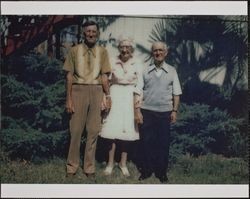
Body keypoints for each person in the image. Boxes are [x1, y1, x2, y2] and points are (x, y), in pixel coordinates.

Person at [63, 21, 111, 178]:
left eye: (94, 32)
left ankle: (89, 168)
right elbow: (69, 76)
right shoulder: (74, 51)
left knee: (93, 131)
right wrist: (68, 99)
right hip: (78, 90)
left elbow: (104, 76)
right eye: (88, 31)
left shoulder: (102, 52)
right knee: (75, 130)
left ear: (97, 34)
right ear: (84, 33)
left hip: (96, 92)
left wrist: (107, 96)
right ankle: (72, 166)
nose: (91, 34)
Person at [137, 41, 182, 183]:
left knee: (163, 143)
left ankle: (161, 172)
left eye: (161, 50)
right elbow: (138, 92)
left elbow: (176, 94)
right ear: (152, 53)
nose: (158, 53)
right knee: (146, 143)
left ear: (166, 53)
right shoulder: (144, 70)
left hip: (165, 113)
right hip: (147, 111)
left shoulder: (172, 71)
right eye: (155, 50)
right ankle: (146, 171)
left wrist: (174, 110)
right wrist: (137, 111)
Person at [99, 37, 143, 177]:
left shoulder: (137, 63)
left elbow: (140, 84)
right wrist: (106, 97)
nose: (125, 50)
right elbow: (105, 80)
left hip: (130, 96)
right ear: (119, 48)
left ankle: (123, 163)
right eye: (122, 47)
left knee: (127, 130)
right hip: (115, 94)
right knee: (112, 130)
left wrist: (137, 103)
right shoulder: (112, 60)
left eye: (127, 47)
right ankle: (110, 163)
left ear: (132, 49)